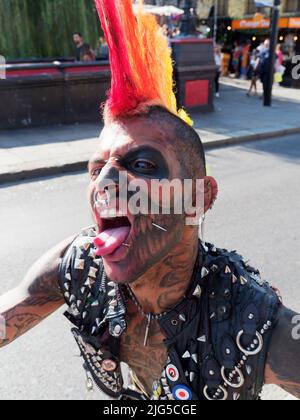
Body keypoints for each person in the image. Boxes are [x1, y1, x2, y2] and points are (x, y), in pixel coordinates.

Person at [1, 0, 300, 401]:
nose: (103, 183)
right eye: (95, 169)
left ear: (199, 196)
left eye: (141, 164)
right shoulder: (80, 267)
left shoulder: (257, 322)